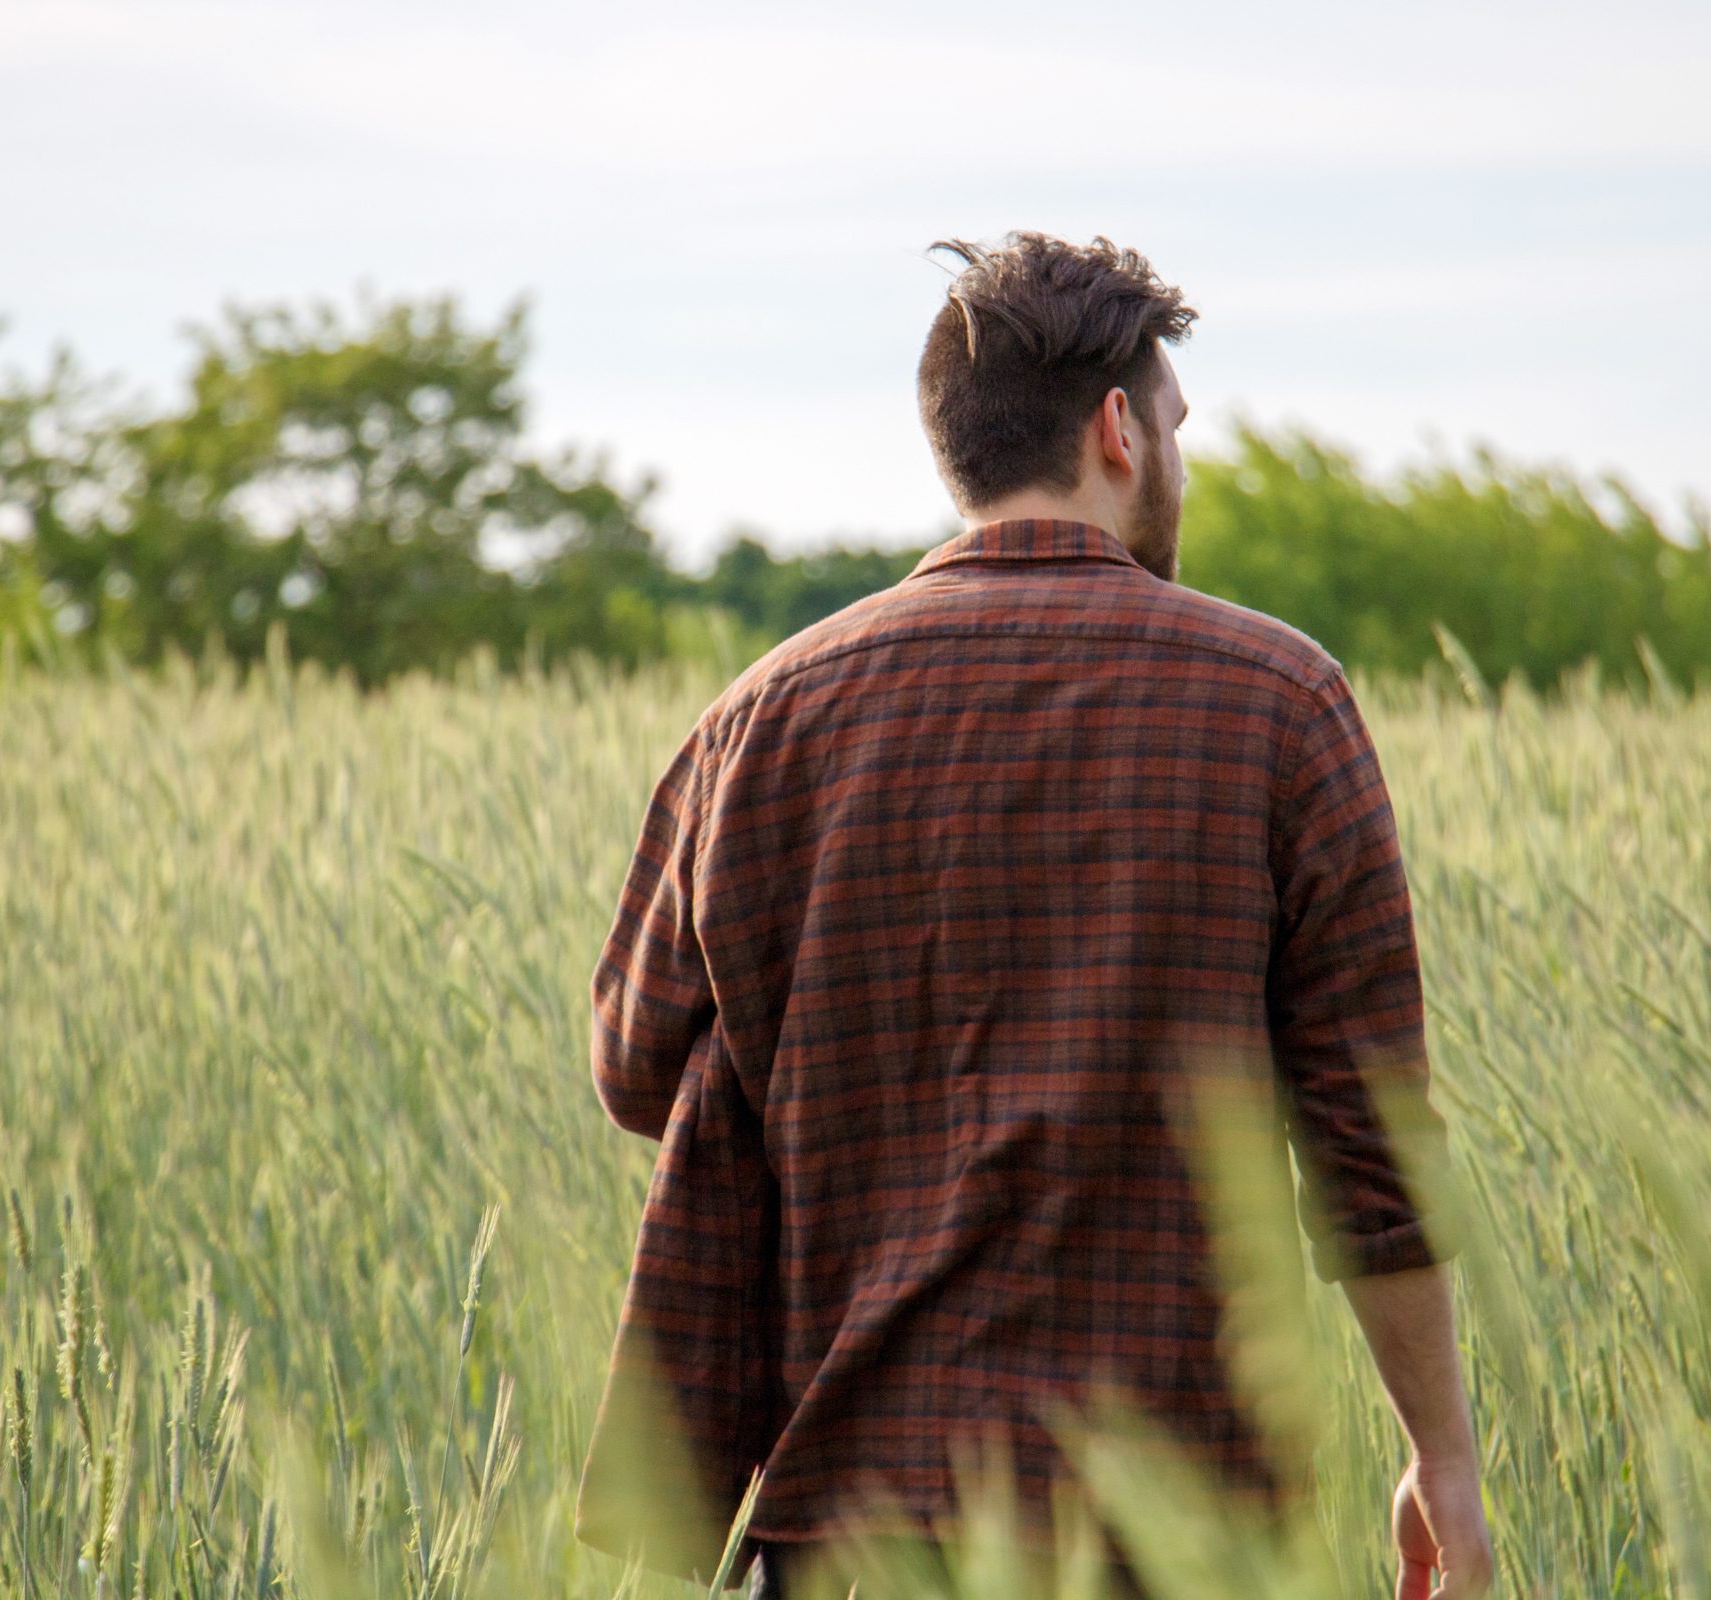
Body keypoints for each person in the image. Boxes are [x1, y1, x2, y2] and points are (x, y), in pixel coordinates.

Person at [576, 231, 1494, 1599]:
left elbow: (638, 1068)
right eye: (1176, 424)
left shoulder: (761, 723)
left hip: (853, 1531)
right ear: (1119, 430)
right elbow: (1373, 1152)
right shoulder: (1281, 705)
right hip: (1173, 1539)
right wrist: (1444, 1461)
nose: (1178, 455)